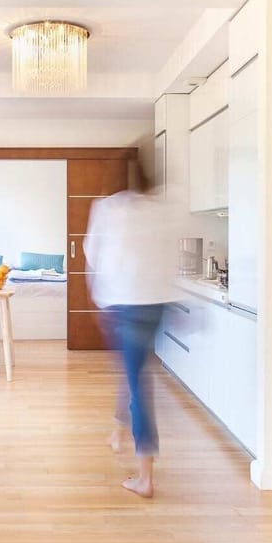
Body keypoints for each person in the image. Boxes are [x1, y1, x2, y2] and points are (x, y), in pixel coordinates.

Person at [82, 162, 181, 498]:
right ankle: (118, 431)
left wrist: (98, 298)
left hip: (124, 304)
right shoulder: (164, 209)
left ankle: (145, 478)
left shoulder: (108, 207)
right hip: (156, 305)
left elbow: (91, 255)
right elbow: (172, 254)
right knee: (132, 371)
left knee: (137, 382)